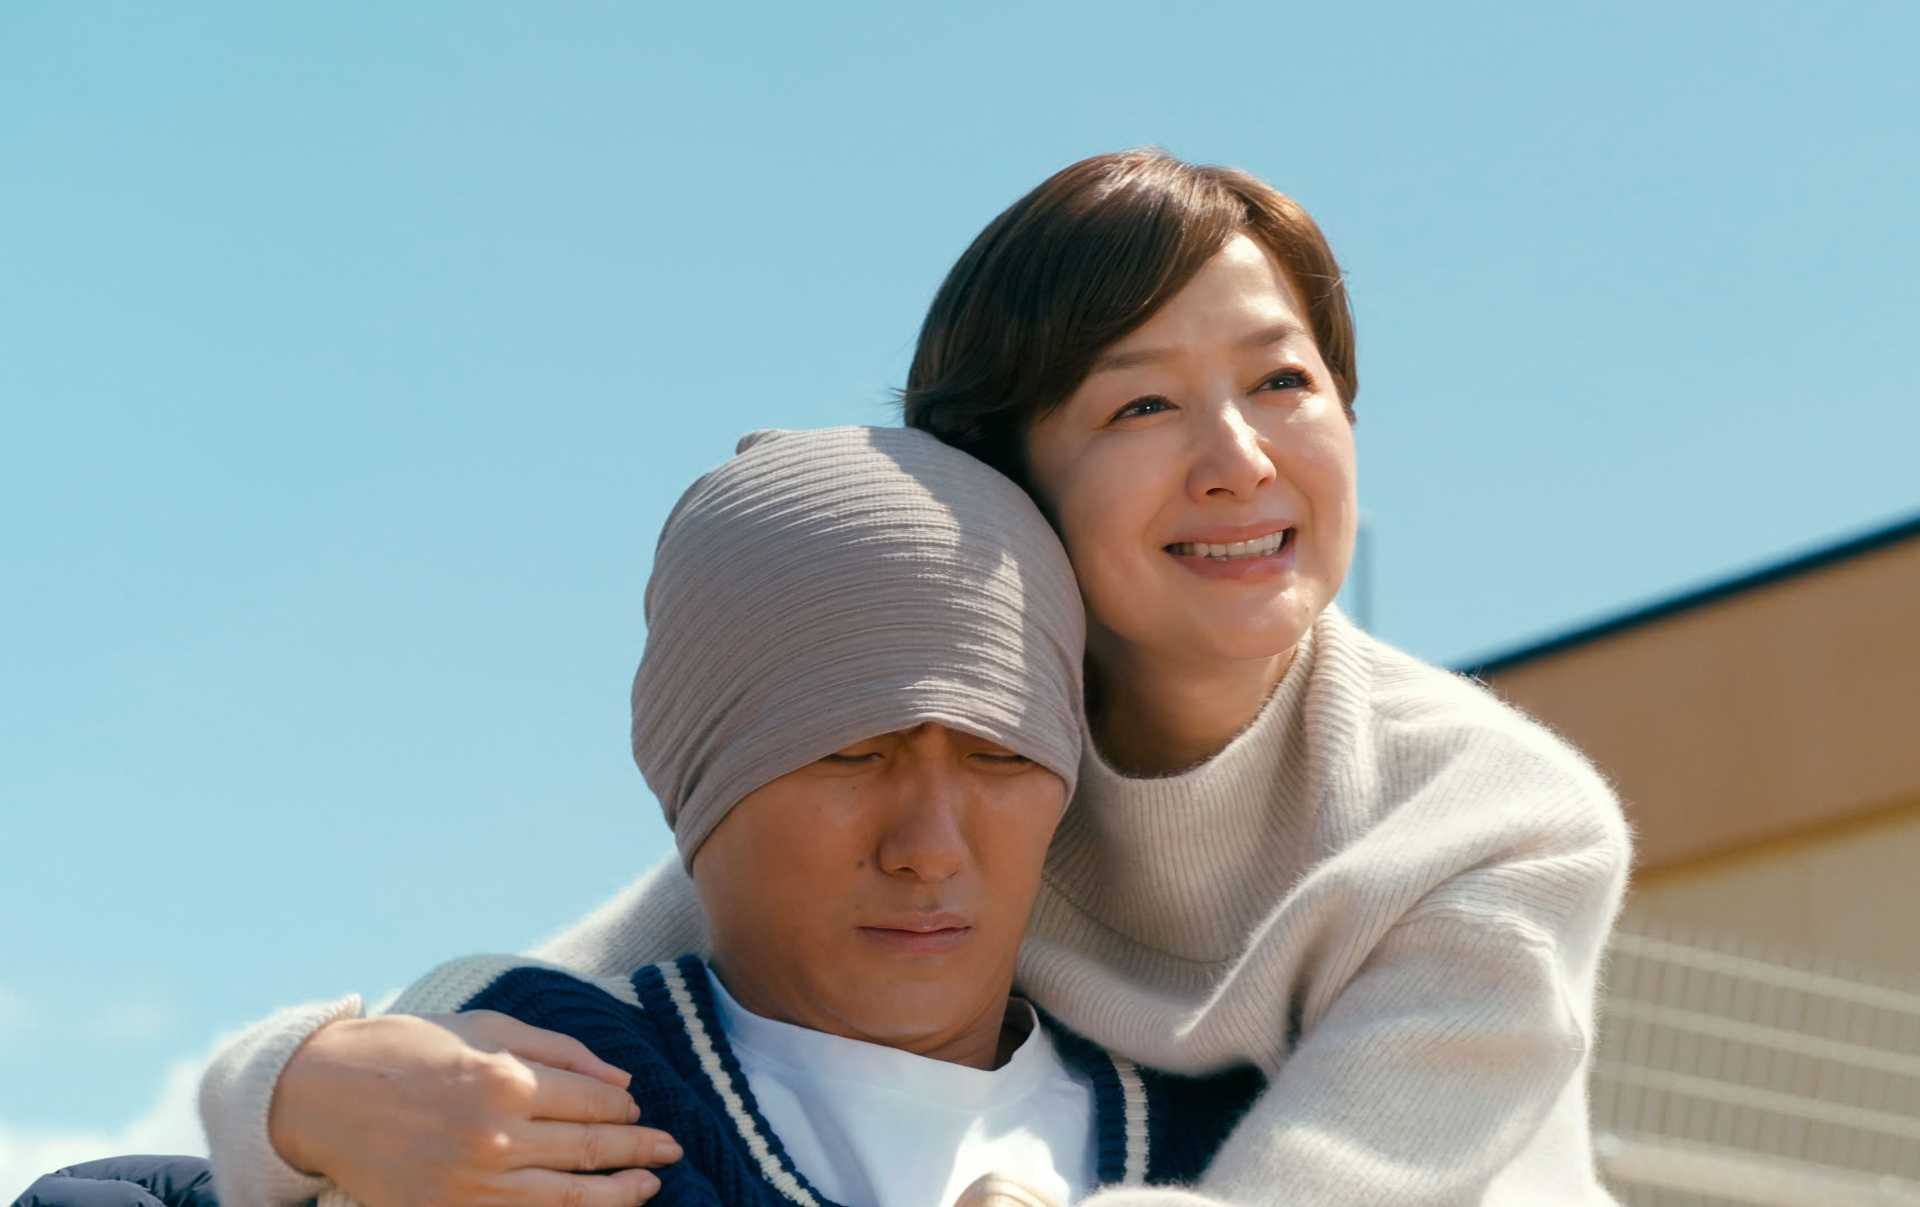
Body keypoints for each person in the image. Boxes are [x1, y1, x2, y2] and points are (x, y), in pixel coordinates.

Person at [200, 149, 1632, 1207]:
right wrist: (299, 1086)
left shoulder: (1492, 824)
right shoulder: (978, 754)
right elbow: (558, 990)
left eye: (1285, 381)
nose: (1240, 459)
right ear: (997, 483)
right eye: (1142, 401)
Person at [299, 424, 1262, 1207]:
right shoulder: (537, 1072)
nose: (929, 848)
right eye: (851, 753)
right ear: (701, 772)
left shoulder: (1238, 1123)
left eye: (1000, 755)